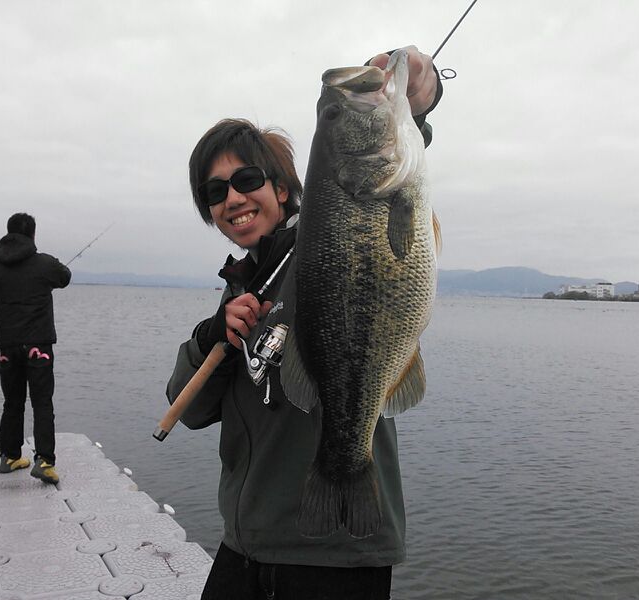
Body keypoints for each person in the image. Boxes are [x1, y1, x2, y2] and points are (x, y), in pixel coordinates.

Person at [166, 47, 442, 599]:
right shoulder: (242, 288)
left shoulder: (317, 242)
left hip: (337, 554)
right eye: (215, 192)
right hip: (245, 545)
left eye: (246, 179)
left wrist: (419, 87)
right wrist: (211, 336)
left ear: (283, 188)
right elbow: (188, 411)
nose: (232, 199)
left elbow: (389, 148)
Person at [0, 213, 71, 484]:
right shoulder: (44, 263)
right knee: (42, 402)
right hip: (38, 345)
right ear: (33, 234)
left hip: (7, 346)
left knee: (12, 402)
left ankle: (9, 456)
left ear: (8, 232)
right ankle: (44, 461)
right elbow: (65, 277)